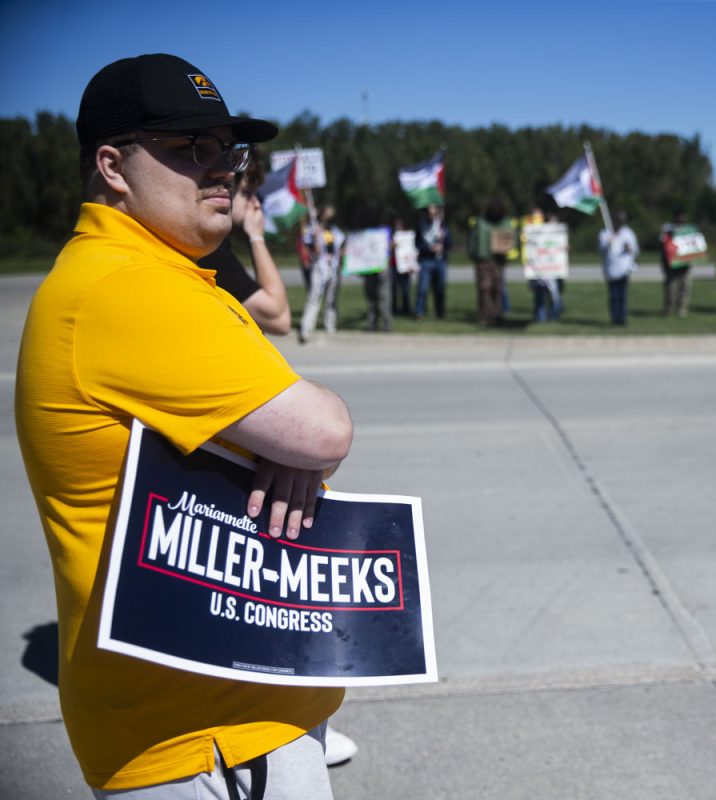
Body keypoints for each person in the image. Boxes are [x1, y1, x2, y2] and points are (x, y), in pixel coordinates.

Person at [15, 53, 354, 798]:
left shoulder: (168, 277)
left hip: (224, 715)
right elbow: (322, 428)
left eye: (229, 150)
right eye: (190, 149)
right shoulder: (123, 287)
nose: (223, 169)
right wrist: (291, 449)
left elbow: (290, 433)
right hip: (205, 742)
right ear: (112, 166)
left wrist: (283, 449)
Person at [198, 149, 291, 334]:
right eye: (248, 193)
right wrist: (257, 237)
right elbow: (279, 318)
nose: (256, 203)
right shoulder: (210, 252)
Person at [299, 204, 345, 343]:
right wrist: (314, 238)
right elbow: (309, 246)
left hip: (333, 268)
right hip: (319, 267)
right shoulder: (314, 230)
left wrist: (341, 256)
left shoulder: (336, 232)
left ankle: (329, 325)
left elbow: (342, 247)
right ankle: (306, 327)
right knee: (314, 296)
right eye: (327, 214)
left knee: (331, 299)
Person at [468, 198, 514, 325]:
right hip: (483, 260)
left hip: (498, 261)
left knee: (498, 289)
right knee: (484, 288)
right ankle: (484, 315)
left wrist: (506, 250)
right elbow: (473, 240)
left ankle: (497, 314)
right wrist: (474, 255)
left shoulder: (505, 223)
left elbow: (511, 239)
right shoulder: (481, 222)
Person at [598, 210, 639, 326]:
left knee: (623, 295)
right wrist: (608, 243)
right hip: (611, 269)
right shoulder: (605, 233)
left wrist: (630, 249)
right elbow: (601, 250)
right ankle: (614, 319)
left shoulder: (628, 233)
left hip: (624, 269)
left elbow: (635, 249)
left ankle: (622, 318)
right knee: (614, 296)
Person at [414, 204, 449, 320]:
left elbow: (450, 243)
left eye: (435, 209)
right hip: (426, 260)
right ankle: (419, 312)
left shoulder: (442, 225)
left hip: (440, 261)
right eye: (431, 209)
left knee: (439, 289)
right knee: (423, 288)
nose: (433, 211)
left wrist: (445, 240)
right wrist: (428, 248)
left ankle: (440, 313)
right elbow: (417, 244)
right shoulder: (422, 225)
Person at [659, 210, 693, 318]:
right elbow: (663, 243)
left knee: (685, 287)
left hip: (685, 264)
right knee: (671, 288)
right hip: (672, 264)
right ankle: (668, 308)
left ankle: (682, 309)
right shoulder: (668, 229)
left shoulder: (689, 230)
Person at [390, 215, 414, 318]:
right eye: (396, 224)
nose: (398, 226)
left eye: (400, 224)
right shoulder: (391, 236)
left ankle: (406, 308)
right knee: (393, 289)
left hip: (405, 266)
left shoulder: (408, 236)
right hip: (393, 265)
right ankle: (394, 308)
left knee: (405, 289)